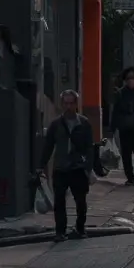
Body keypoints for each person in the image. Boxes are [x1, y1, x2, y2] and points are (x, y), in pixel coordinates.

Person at [39, 90, 95, 241]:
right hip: (60, 167)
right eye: (66, 103)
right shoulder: (56, 124)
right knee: (59, 201)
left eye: (71, 103)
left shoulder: (84, 123)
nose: (68, 107)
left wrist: (88, 167)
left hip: (78, 167)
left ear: (76, 104)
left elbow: (89, 147)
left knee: (80, 201)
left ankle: (80, 228)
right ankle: (60, 231)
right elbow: (48, 146)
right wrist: (41, 165)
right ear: (62, 104)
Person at [109, 68, 134, 184]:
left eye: (133, 78)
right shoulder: (121, 93)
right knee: (126, 154)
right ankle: (130, 177)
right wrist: (112, 129)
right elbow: (115, 112)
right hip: (124, 128)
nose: (131, 81)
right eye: (128, 78)